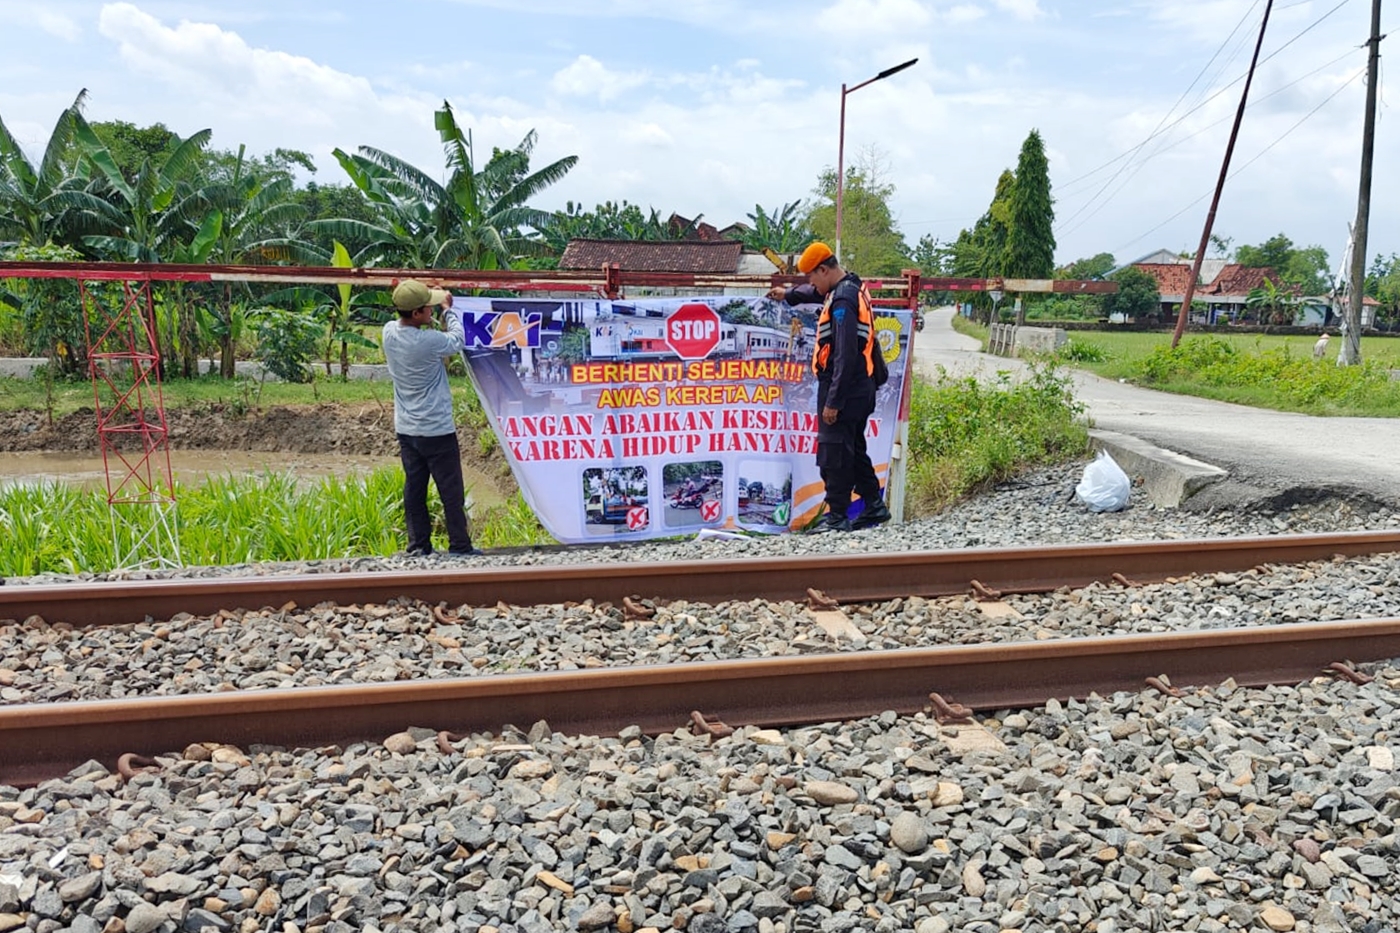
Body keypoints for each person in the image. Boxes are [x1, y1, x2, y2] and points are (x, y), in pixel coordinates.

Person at [768, 242, 892, 533]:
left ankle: (836, 516)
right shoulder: (849, 288)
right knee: (853, 448)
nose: (810, 283)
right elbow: (815, 292)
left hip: (845, 389)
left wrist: (833, 402)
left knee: (833, 452)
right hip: (860, 387)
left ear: (824, 269)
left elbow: (845, 355)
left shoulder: (843, 302)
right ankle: (874, 504)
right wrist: (788, 295)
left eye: (812, 276)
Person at [382, 279, 477, 557]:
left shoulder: (389, 333)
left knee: (414, 489)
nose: (432, 311)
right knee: (451, 492)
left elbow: (408, 320)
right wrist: (448, 311)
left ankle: (419, 546)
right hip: (436, 430)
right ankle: (460, 545)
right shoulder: (428, 342)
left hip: (407, 430)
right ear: (415, 314)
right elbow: (457, 340)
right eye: (428, 308)